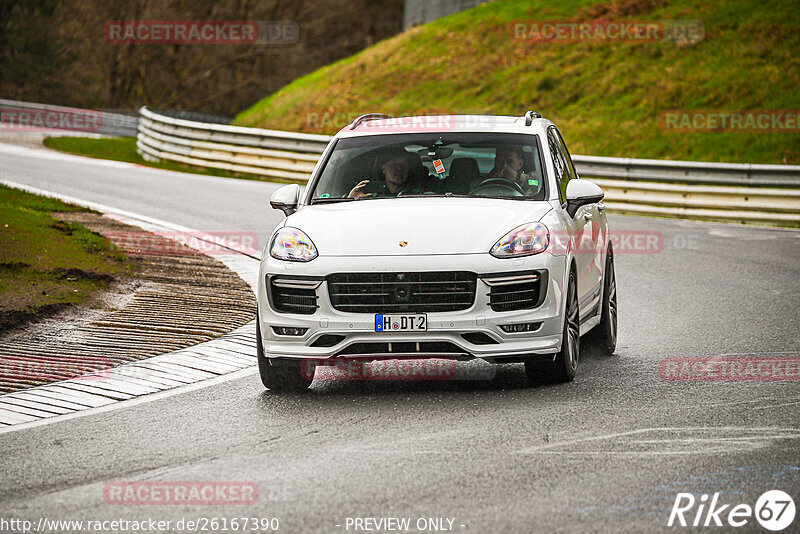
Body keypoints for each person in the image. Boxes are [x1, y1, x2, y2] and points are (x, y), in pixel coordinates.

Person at [348, 149, 414, 198]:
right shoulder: (370, 195)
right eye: (394, 165)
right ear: (384, 169)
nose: (399, 169)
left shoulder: (420, 194)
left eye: (403, 165)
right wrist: (352, 199)